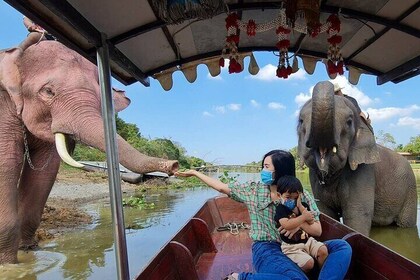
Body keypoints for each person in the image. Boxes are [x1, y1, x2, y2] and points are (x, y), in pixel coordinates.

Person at [175, 149, 352, 280]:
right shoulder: (254, 191)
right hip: (268, 247)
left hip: (300, 243)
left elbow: (317, 230)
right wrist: (194, 173)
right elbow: (222, 187)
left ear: (280, 170)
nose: (263, 170)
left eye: (266, 166)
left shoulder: (301, 193)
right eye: (263, 166)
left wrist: (297, 223)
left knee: (342, 247)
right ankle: (239, 278)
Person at [273, 175, 328, 274]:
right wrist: (303, 218)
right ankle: (303, 275)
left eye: (295, 197)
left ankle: (320, 274)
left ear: (300, 196)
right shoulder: (281, 209)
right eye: (288, 197)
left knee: (323, 251)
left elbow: (311, 221)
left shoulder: (303, 207)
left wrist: (300, 206)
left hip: (308, 241)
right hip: (291, 247)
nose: (292, 200)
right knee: (309, 263)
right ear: (279, 195)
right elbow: (286, 225)